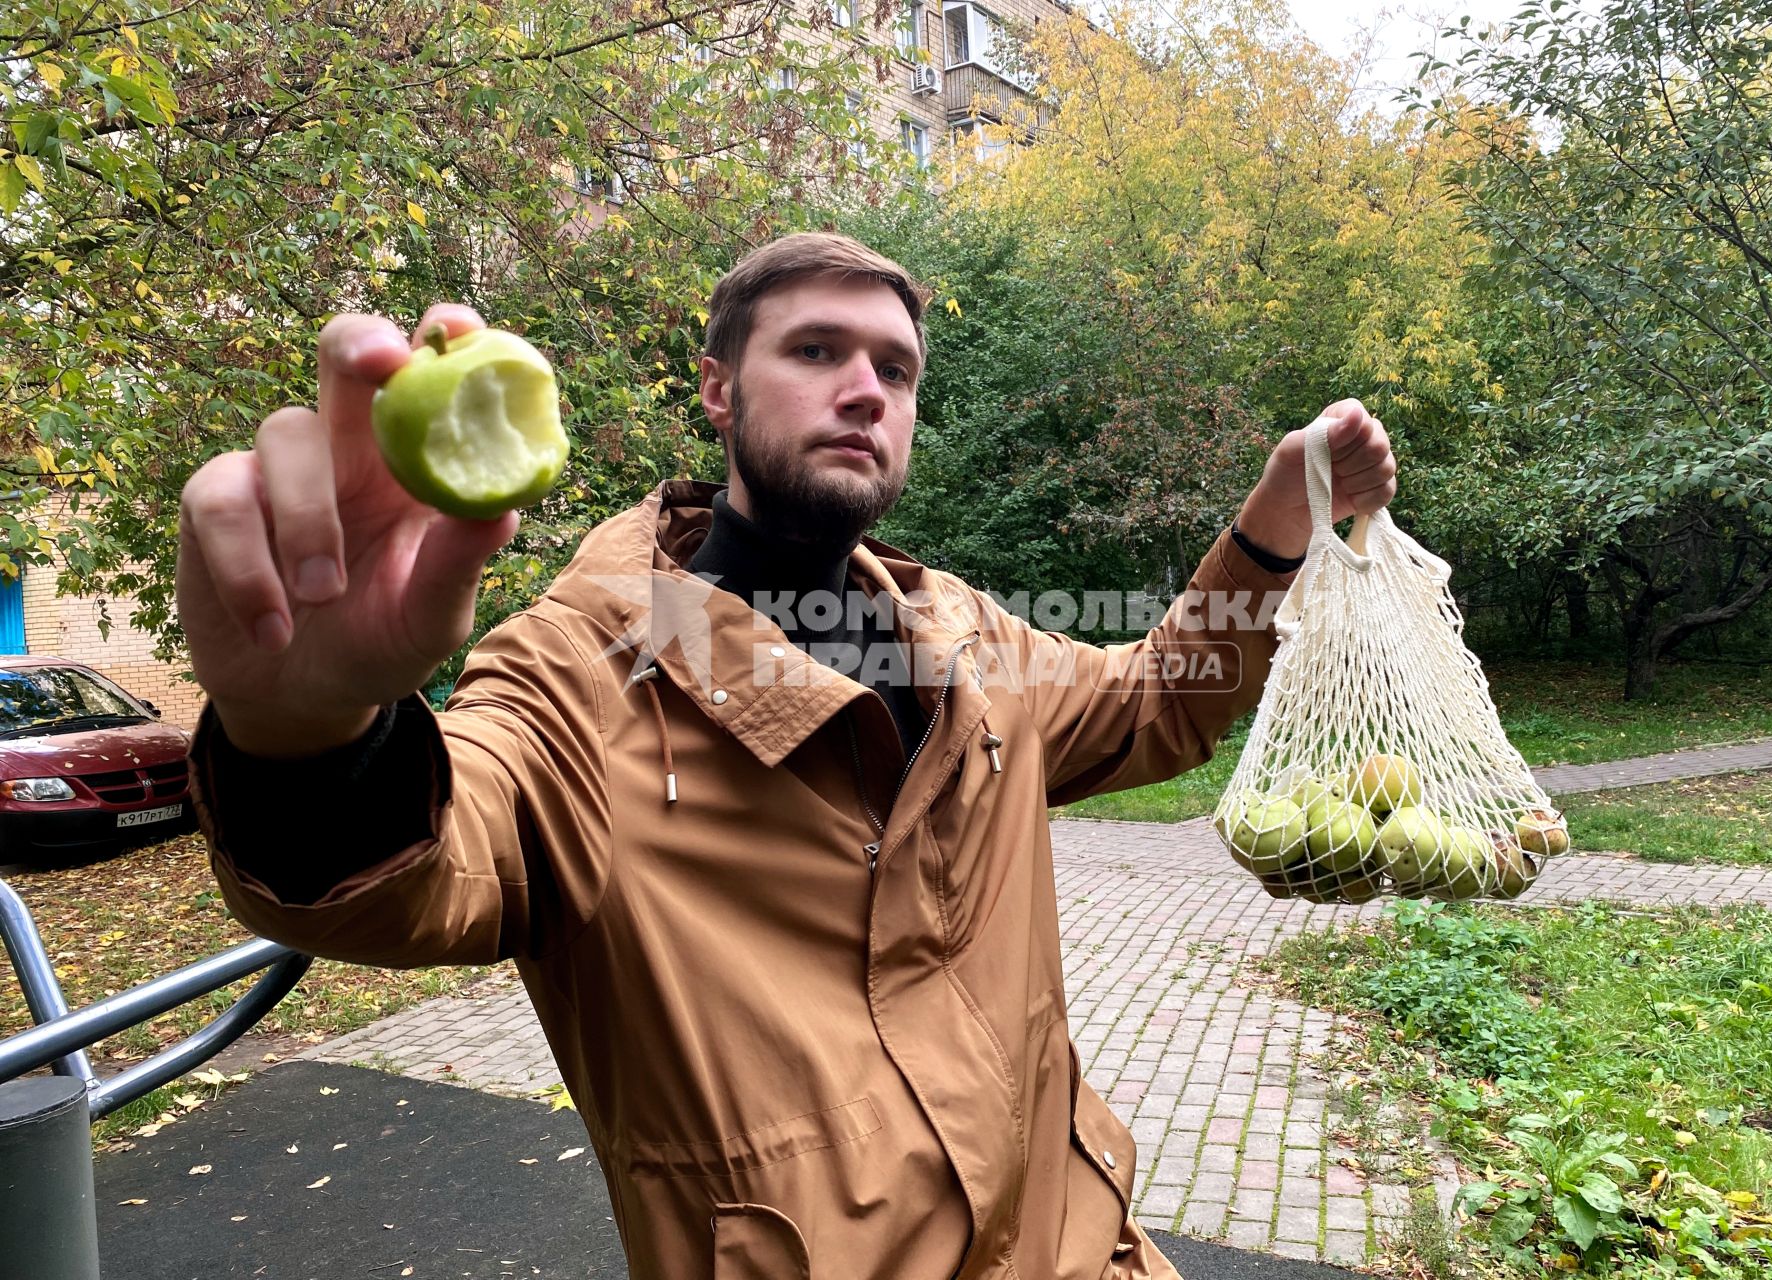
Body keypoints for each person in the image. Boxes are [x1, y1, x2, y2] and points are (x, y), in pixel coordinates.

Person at [177, 232, 1397, 1279]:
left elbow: (1155, 702)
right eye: (816, 351)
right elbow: (426, 862)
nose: (866, 387)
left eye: (897, 368)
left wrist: (1274, 526)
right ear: (717, 390)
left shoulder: (967, 634)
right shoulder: (581, 671)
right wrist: (310, 727)